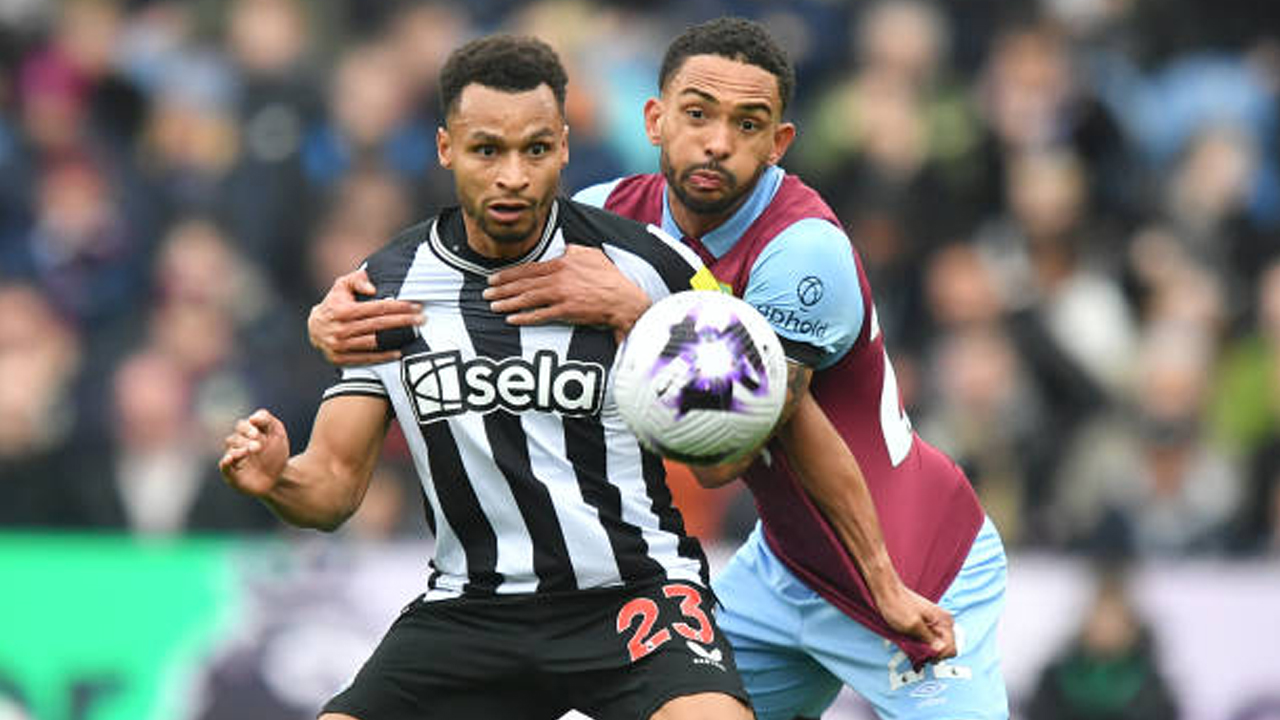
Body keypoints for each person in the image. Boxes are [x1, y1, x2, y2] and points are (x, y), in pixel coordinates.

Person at [310, 18, 1009, 720]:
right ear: (655, 117)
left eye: (748, 123)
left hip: (911, 565)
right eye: (698, 114)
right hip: (785, 565)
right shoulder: (606, 216)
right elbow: (474, 272)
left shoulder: (803, 253)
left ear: (779, 143)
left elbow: (726, 451)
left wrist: (641, 312)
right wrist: (342, 308)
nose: (716, 141)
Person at [220, 34, 753, 720]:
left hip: (633, 595)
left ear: (563, 146)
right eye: (486, 151)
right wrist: (277, 480)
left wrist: (645, 321)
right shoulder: (386, 287)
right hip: (473, 612)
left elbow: (726, 458)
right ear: (446, 149)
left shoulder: (647, 266)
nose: (512, 176)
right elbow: (330, 491)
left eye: (534, 150)